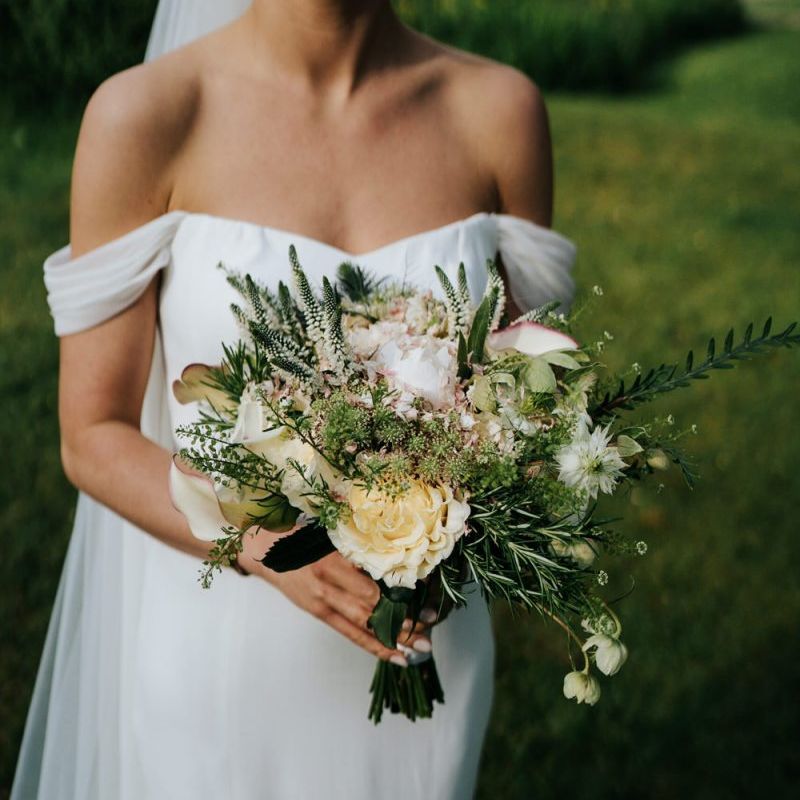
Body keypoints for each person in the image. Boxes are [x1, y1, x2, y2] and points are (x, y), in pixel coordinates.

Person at [11, 1, 576, 797]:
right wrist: (265, 546)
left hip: (422, 647)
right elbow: (91, 435)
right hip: (220, 656)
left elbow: (528, 393)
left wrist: (473, 508)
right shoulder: (145, 114)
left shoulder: (500, 112)